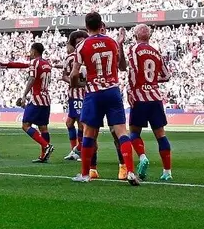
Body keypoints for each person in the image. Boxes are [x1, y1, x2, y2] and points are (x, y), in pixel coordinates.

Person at [70, 12, 140, 186]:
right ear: (101, 24)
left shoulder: (82, 46)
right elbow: (122, 67)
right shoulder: (112, 42)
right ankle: (130, 171)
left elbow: (74, 74)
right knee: (121, 132)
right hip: (113, 91)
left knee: (89, 134)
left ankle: (86, 174)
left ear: (86, 27)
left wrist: (78, 85)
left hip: (93, 93)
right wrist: (121, 44)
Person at [127, 24, 173, 181]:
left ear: (135, 35)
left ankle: (142, 157)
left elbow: (133, 71)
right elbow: (166, 76)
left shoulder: (134, 49)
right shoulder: (156, 52)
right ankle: (167, 171)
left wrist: (131, 91)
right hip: (155, 98)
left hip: (140, 97)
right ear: (149, 36)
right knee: (161, 135)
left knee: (133, 132)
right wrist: (153, 80)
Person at [17, 42, 54, 163]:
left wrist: (24, 96)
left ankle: (46, 146)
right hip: (46, 99)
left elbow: (32, 78)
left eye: (30, 50)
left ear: (34, 51)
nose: (30, 53)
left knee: (25, 125)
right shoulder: (47, 64)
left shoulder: (34, 62)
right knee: (43, 128)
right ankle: (44, 156)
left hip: (36, 99)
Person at [61, 31, 87, 161]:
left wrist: (81, 84)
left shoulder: (81, 56)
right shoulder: (69, 58)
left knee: (80, 123)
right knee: (69, 123)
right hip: (73, 95)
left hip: (81, 96)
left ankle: (81, 151)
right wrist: (75, 83)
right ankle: (75, 150)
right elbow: (64, 75)